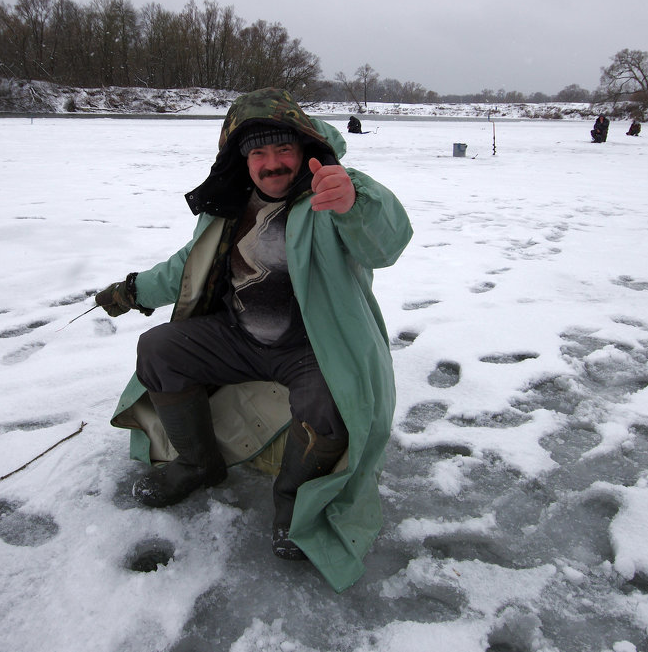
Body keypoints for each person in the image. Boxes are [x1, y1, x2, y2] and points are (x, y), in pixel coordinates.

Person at [97, 87, 412, 592]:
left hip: (311, 347)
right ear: (243, 159)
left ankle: (293, 505)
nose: (271, 163)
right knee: (159, 349)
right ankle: (199, 465)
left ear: (304, 150)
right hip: (238, 335)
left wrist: (355, 204)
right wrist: (134, 290)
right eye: (258, 152)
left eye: (282, 149)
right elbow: (186, 266)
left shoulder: (331, 192)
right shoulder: (228, 207)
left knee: (330, 399)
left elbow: (388, 241)